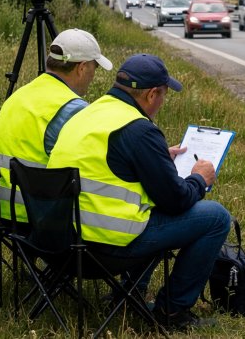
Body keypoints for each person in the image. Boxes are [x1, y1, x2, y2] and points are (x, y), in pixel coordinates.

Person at [47, 53, 230, 332]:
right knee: (216, 217)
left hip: (58, 245)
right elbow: (176, 201)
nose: (162, 103)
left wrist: (157, 162)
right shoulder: (139, 129)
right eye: (164, 95)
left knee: (145, 209)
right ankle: (173, 310)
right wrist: (198, 180)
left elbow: (105, 168)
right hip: (104, 249)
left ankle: (126, 295)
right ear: (152, 94)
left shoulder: (86, 114)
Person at [0, 28, 113, 221]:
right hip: (32, 215)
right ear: (82, 67)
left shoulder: (19, 95)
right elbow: (101, 165)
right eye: (94, 68)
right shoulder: (73, 109)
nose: (93, 75)